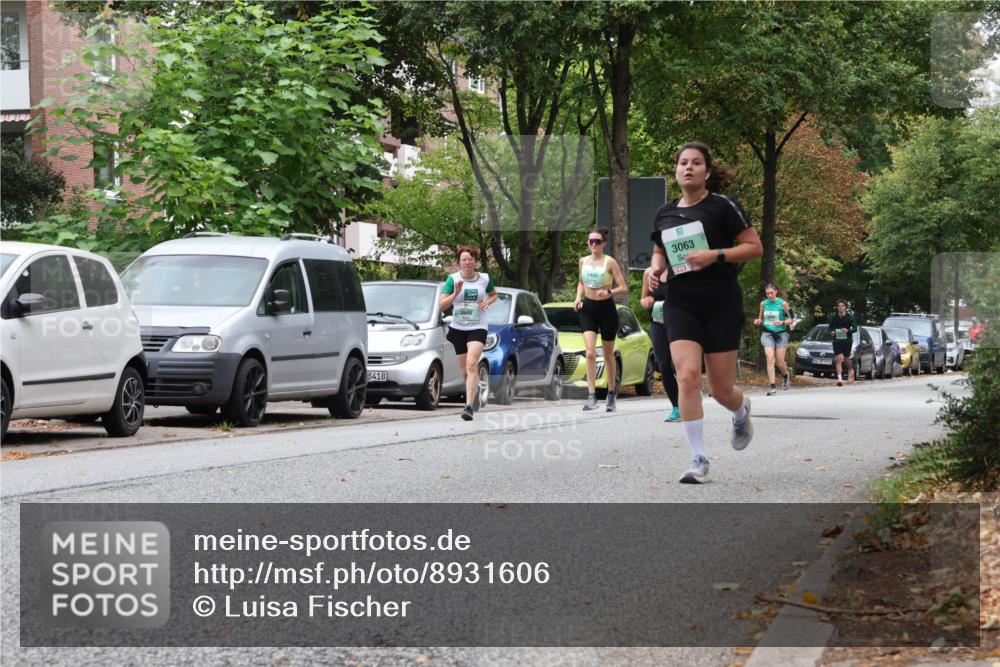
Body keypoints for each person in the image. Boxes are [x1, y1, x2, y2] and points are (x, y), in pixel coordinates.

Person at [647, 142, 763, 484]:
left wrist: (715, 255)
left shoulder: (723, 206)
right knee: (686, 377)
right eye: (683, 162)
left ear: (707, 172)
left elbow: (754, 248)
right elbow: (658, 250)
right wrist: (654, 269)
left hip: (721, 302)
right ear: (676, 170)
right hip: (681, 302)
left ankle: (740, 411)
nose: (688, 168)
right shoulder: (664, 213)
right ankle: (698, 458)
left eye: (696, 163)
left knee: (721, 389)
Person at [439, 246, 498, 421]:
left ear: (475, 261)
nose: (467, 262)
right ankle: (475, 393)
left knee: (472, 365)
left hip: (478, 327)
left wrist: (488, 301)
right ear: (459, 262)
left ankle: (468, 407)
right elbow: (441, 306)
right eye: (464, 259)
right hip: (458, 328)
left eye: (470, 259)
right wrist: (456, 293)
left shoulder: (484, 279)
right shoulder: (453, 279)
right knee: (465, 370)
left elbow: (494, 294)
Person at [574, 228, 628, 412]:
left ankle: (611, 393)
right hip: (588, 309)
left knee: (607, 355)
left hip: (606, 310)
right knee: (590, 353)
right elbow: (580, 283)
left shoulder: (609, 262)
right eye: (591, 241)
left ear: (604, 243)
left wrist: (610, 292)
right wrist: (578, 298)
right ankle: (591, 396)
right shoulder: (583, 261)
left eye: (597, 241)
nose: (594, 244)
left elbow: (623, 287)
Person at [640, 266, 681, 421]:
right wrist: (647, 302)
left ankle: (690, 390)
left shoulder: (681, 268)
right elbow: (643, 299)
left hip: (679, 321)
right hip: (658, 321)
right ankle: (676, 406)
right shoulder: (649, 273)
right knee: (663, 363)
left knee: (678, 363)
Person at [754, 283, 792, 396]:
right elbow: (760, 318)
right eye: (767, 293)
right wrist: (758, 321)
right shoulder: (763, 304)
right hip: (767, 334)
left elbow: (792, 319)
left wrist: (783, 322)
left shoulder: (783, 303)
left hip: (781, 334)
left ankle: (785, 376)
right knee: (770, 358)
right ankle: (773, 387)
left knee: (780, 362)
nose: (769, 295)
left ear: (776, 291)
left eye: (771, 293)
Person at [827, 299, 858, 386]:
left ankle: (850, 370)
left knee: (847, 358)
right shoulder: (834, 317)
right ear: (837, 308)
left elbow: (855, 328)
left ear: (845, 307)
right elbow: (829, 328)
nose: (840, 308)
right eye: (839, 306)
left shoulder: (850, 317)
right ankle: (840, 379)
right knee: (839, 358)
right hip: (836, 341)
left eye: (842, 306)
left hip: (847, 340)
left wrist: (848, 330)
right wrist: (832, 332)